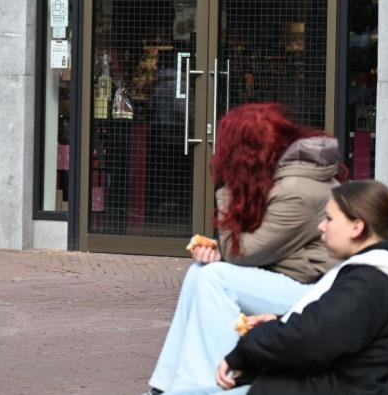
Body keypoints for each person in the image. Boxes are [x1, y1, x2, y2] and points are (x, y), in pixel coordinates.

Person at [145, 103, 343, 395]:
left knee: (215, 279)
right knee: (202, 271)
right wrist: (218, 253)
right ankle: (167, 384)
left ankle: (210, 385)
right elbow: (253, 247)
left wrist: (229, 193)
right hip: (295, 278)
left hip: (312, 292)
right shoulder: (289, 178)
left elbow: (243, 253)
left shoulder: (298, 190)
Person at [176, 180, 388, 395]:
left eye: (329, 219)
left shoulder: (371, 282)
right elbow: (329, 329)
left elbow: (311, 339)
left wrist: (244, 351)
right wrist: (278, 321)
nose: (321, 226)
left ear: (356, 227)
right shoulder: (379, 273)